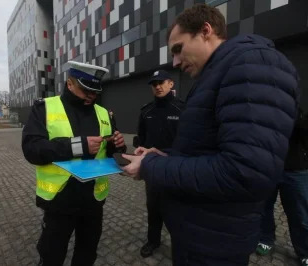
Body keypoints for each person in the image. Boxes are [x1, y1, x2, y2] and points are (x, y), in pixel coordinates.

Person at [121, 3, 300, 266]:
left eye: (178, 49)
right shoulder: (217, 75)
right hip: (199, 234)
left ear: (206, 31)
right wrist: (165, 155)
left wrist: (152, 166)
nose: (175, 62)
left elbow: (244, 172)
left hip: (216, 244)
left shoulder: (252, 65)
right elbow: (209, 150)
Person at [22, 61, 126, 266]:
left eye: (95, 92)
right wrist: (79, 146)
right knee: (52, 255)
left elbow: (108, 150)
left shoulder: (104, 113)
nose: (91, 96)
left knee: (87, 254)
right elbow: (32, 149)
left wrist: (118, 146)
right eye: (86, 90)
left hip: (93, 201)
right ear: (70, 84)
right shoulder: (44, 108)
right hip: (59, 201)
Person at [135, 70, 184, 258]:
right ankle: (153, 241)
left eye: (161, 82)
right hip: (153, 170)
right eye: (154, 84)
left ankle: (181, 244)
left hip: (176, 169)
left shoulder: (182, 109)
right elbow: (141, 139)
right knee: (153, 208)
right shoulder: (146, 111)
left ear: (171, 84)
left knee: (177, 210)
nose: (157, 86)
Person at [256, 108, 308, 266]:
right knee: (264, 207)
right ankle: (265, 238)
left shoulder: (297, 110)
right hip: (269, 168)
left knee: (300, 214)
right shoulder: (265, 109)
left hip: (295, 169)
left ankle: (305, 251)